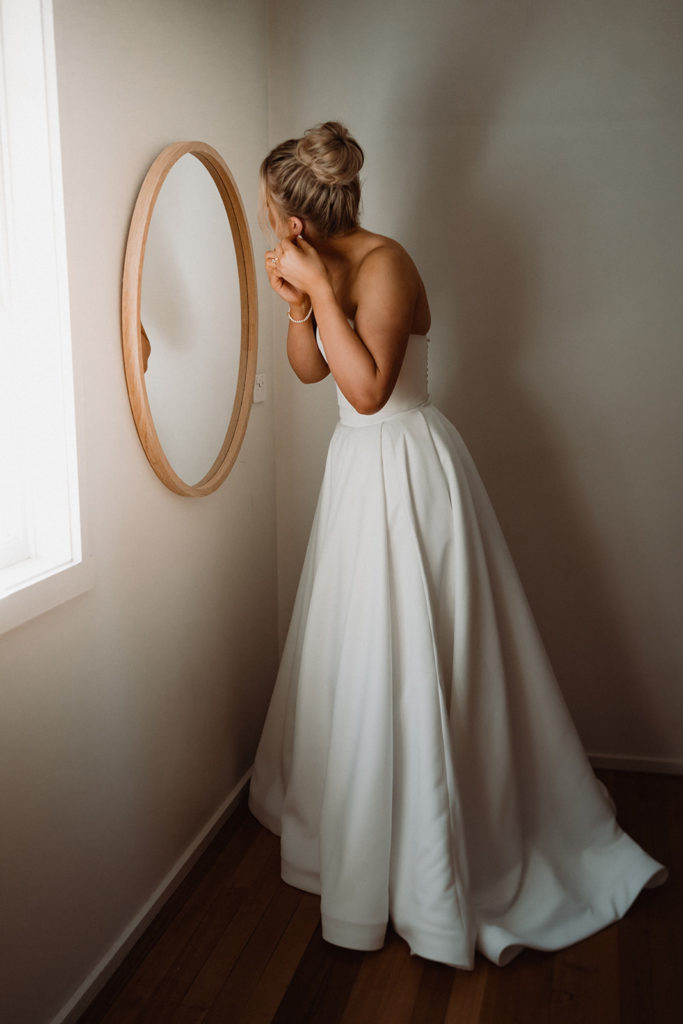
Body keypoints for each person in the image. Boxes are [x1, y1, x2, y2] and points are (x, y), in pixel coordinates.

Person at [248, 121, 666, 969]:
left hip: (405, 465)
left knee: (431, 653)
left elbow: (368, 392)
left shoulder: (386, 264)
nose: (265, 225)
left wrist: (322, 293)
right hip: (356, 480)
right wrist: (299, 303)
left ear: (295, 217)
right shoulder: (326, 268)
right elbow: (308, 371)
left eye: (267, 211)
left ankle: (457, 851)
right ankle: (365, 838)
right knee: (365, 654)